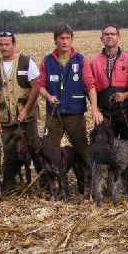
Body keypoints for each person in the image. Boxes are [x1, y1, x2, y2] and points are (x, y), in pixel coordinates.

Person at [38, 22, 103, 194]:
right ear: (55, 40)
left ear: (72, 39)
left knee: (82, 151)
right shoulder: (47, 61)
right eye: (61, 38)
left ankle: (86, 184)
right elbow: (41, 86)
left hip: (75, 114)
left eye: (68, 38)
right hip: (54, 114)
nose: (65, 41)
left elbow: (90, 86)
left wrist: (95, 109)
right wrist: (48, 97)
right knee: (48, 150)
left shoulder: (81, 60)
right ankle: (48, 186)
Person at [0, 31, 41, 187]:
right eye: (1, 44)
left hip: (27, 118)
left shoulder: (26, 62)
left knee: (35, 149)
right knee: (9, 152)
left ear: (14, 45)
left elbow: (35, 88)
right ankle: (9, 185)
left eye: (7, 44)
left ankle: (43, 182)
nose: (4, 48)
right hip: (6, 119)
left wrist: (25, 110)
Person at [89, 24, 128, 142]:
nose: (109, 36)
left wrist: (125, 95)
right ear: (101, 39)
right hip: (104, 111)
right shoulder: (94, 62)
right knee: (105, 144)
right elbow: (90, 87)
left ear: (119, 38)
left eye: (113, 34)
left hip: (125, 110)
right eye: (106, 34)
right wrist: (95, 109)